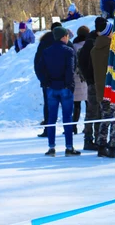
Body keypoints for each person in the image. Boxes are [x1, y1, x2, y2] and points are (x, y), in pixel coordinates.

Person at [36, 25, 81, 156]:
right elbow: (70, 69)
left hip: (51, 88)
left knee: (51, 118)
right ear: (63, 37)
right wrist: (69, 84)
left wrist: (45, 82)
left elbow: (40, 69)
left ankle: (51, 147)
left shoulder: (46, 51)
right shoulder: (68, 51)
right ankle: (69, 147)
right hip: (65, 88)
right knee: (67, 118)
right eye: (67, 36)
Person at [90, 17, 115, 158]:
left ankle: (101, 145)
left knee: (104, 117)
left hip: (101, 89)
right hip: (114, 88)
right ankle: (112, 146)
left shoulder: (94, 50)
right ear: (109, 33)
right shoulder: (113, 49)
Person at [34, 21, 68, 137]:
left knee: (48, 105)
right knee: (66, 105)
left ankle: (48, 130)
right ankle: (69, 129)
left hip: (48, 81)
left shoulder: (44, 42)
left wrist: (43, 79)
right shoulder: (65, 42)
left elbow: (37, 63)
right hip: (63, 81)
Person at [78, 24, 100, 151]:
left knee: (91, 112)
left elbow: (80, 65)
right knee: (96, 112)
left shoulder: (85, 46)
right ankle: (94, 139)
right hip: (95, 82)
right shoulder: (93, 46)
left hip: (90, 82)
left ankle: (89, 138)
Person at [72, 25, 90, 134]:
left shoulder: (73, 46)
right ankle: (87, 126)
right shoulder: (89, 45)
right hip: (87, 77)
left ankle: (73, 126)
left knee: (76, 104)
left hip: (76, 77)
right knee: (89, 104)